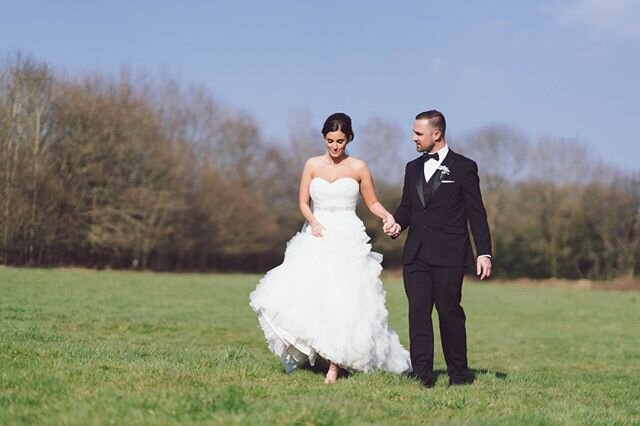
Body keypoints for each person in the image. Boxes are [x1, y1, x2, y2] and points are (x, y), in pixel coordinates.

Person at [249, 112, 411, 384]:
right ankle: (321, 352)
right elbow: (302, 202)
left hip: (348, 235)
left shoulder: (359, 167)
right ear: (324, 139)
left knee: (344, 298)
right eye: (330, 141)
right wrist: (313, 223)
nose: (335, 146)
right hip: (318, 232)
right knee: (314, 295)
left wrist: (387, 217)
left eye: (340, 141)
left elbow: (372, 202)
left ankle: (336, 365)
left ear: (348, 139)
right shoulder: (312, 165)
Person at [384, 110, 492, 387]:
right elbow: (408, 206)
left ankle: (459, 375)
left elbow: (476, 213)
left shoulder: (464, 167)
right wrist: (397, 222)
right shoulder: (411, 168)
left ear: (437, 134)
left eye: (418, 134)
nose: (413, 138)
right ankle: (422, 376)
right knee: (418, 313)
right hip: (416, 255)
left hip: (450, 255)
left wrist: (484, 252)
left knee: (449, 313)